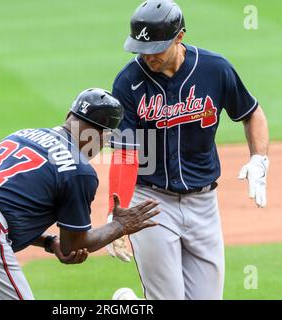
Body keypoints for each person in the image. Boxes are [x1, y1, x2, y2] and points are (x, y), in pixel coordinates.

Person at [0, 88, 160, 300]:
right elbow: (72, 247)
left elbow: (4, 204)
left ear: (69, 117)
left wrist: (47, 241)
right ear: (103, 136)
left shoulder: (22, 134)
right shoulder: (79, 170)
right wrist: (120, 226)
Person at [106, 0, 269, 300]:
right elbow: (125, 153)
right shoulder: (128, 82)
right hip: (151, 203)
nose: (147, 55)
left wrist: (259, 159)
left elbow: (251, 112)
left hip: (204, 204)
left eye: (156, 47)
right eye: (141, 48)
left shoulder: (215, 69)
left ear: (179, 37)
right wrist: (117, 210)